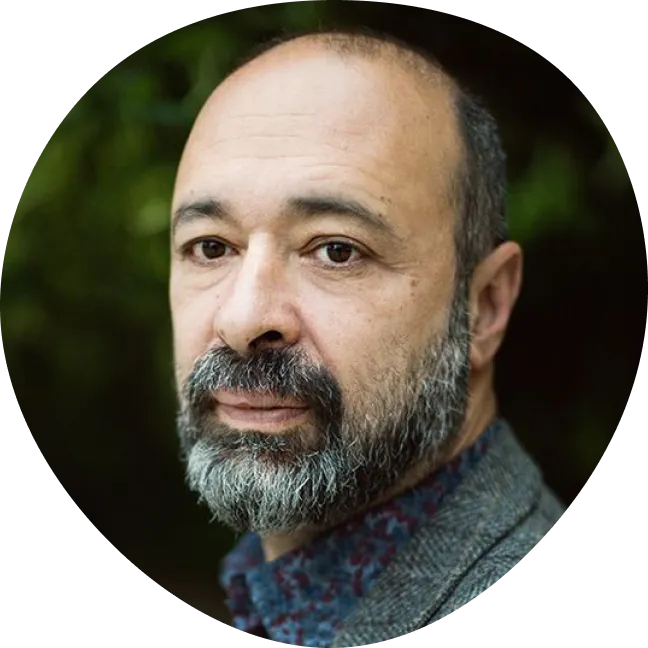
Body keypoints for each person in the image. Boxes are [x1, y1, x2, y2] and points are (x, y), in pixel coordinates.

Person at [169, 27, 567, 648]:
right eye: (211, 247)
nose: (242, 321)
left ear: (485, 306)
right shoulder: (283, 599)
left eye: (336, 250)